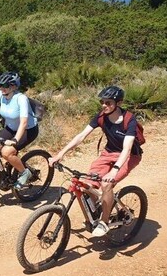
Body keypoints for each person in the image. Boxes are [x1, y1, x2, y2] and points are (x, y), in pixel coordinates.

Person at [48, 85, 143, 237]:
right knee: (84, 184)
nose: (104, 105)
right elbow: (81, 136)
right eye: (102, 102)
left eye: (108, 103)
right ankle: (96, 212)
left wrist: (114, 170)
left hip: (129, 156)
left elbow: (127, 148)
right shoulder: (101, 117)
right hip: (108, 153)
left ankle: (104, 222)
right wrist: (60, 154)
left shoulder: (128, 120)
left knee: (107, 184)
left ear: (118, 103)